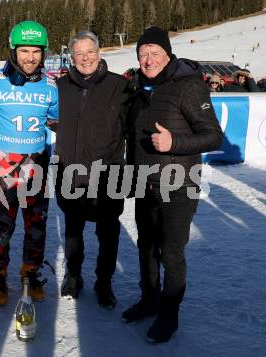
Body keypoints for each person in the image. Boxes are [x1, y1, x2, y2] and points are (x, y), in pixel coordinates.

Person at [122, 27, 223, 343]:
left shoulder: (188, 86)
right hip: (146, 183)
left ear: (167, 55)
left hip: (180, 184)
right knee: (146, 247)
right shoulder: (138, 87)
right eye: (143, 53)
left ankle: (169, 315)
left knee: (171, 252)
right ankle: (149, 299)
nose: (148, 59)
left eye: (154, 52)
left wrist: (174, 142)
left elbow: (213, 135)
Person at [0, 21, 58, 306]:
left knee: (36, 224)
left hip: (37, 162)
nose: (30, 57)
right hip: (3, 166)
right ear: (13, 51)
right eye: (24, 50)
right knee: (3, 226)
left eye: (36, 51)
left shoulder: (51, 86)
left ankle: (30, 272)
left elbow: (61, 119)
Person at [55, 31, 128, 309]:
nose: (85, 58)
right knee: (73, 231)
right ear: (72, 57)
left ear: (99, 53)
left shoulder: (119, 86)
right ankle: (74, 276)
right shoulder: (61, 86)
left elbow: (133, 130)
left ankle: (104, 282)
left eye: (90, 52)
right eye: (79, 54)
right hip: (70, 174)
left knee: (108, 234)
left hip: (108, 175)